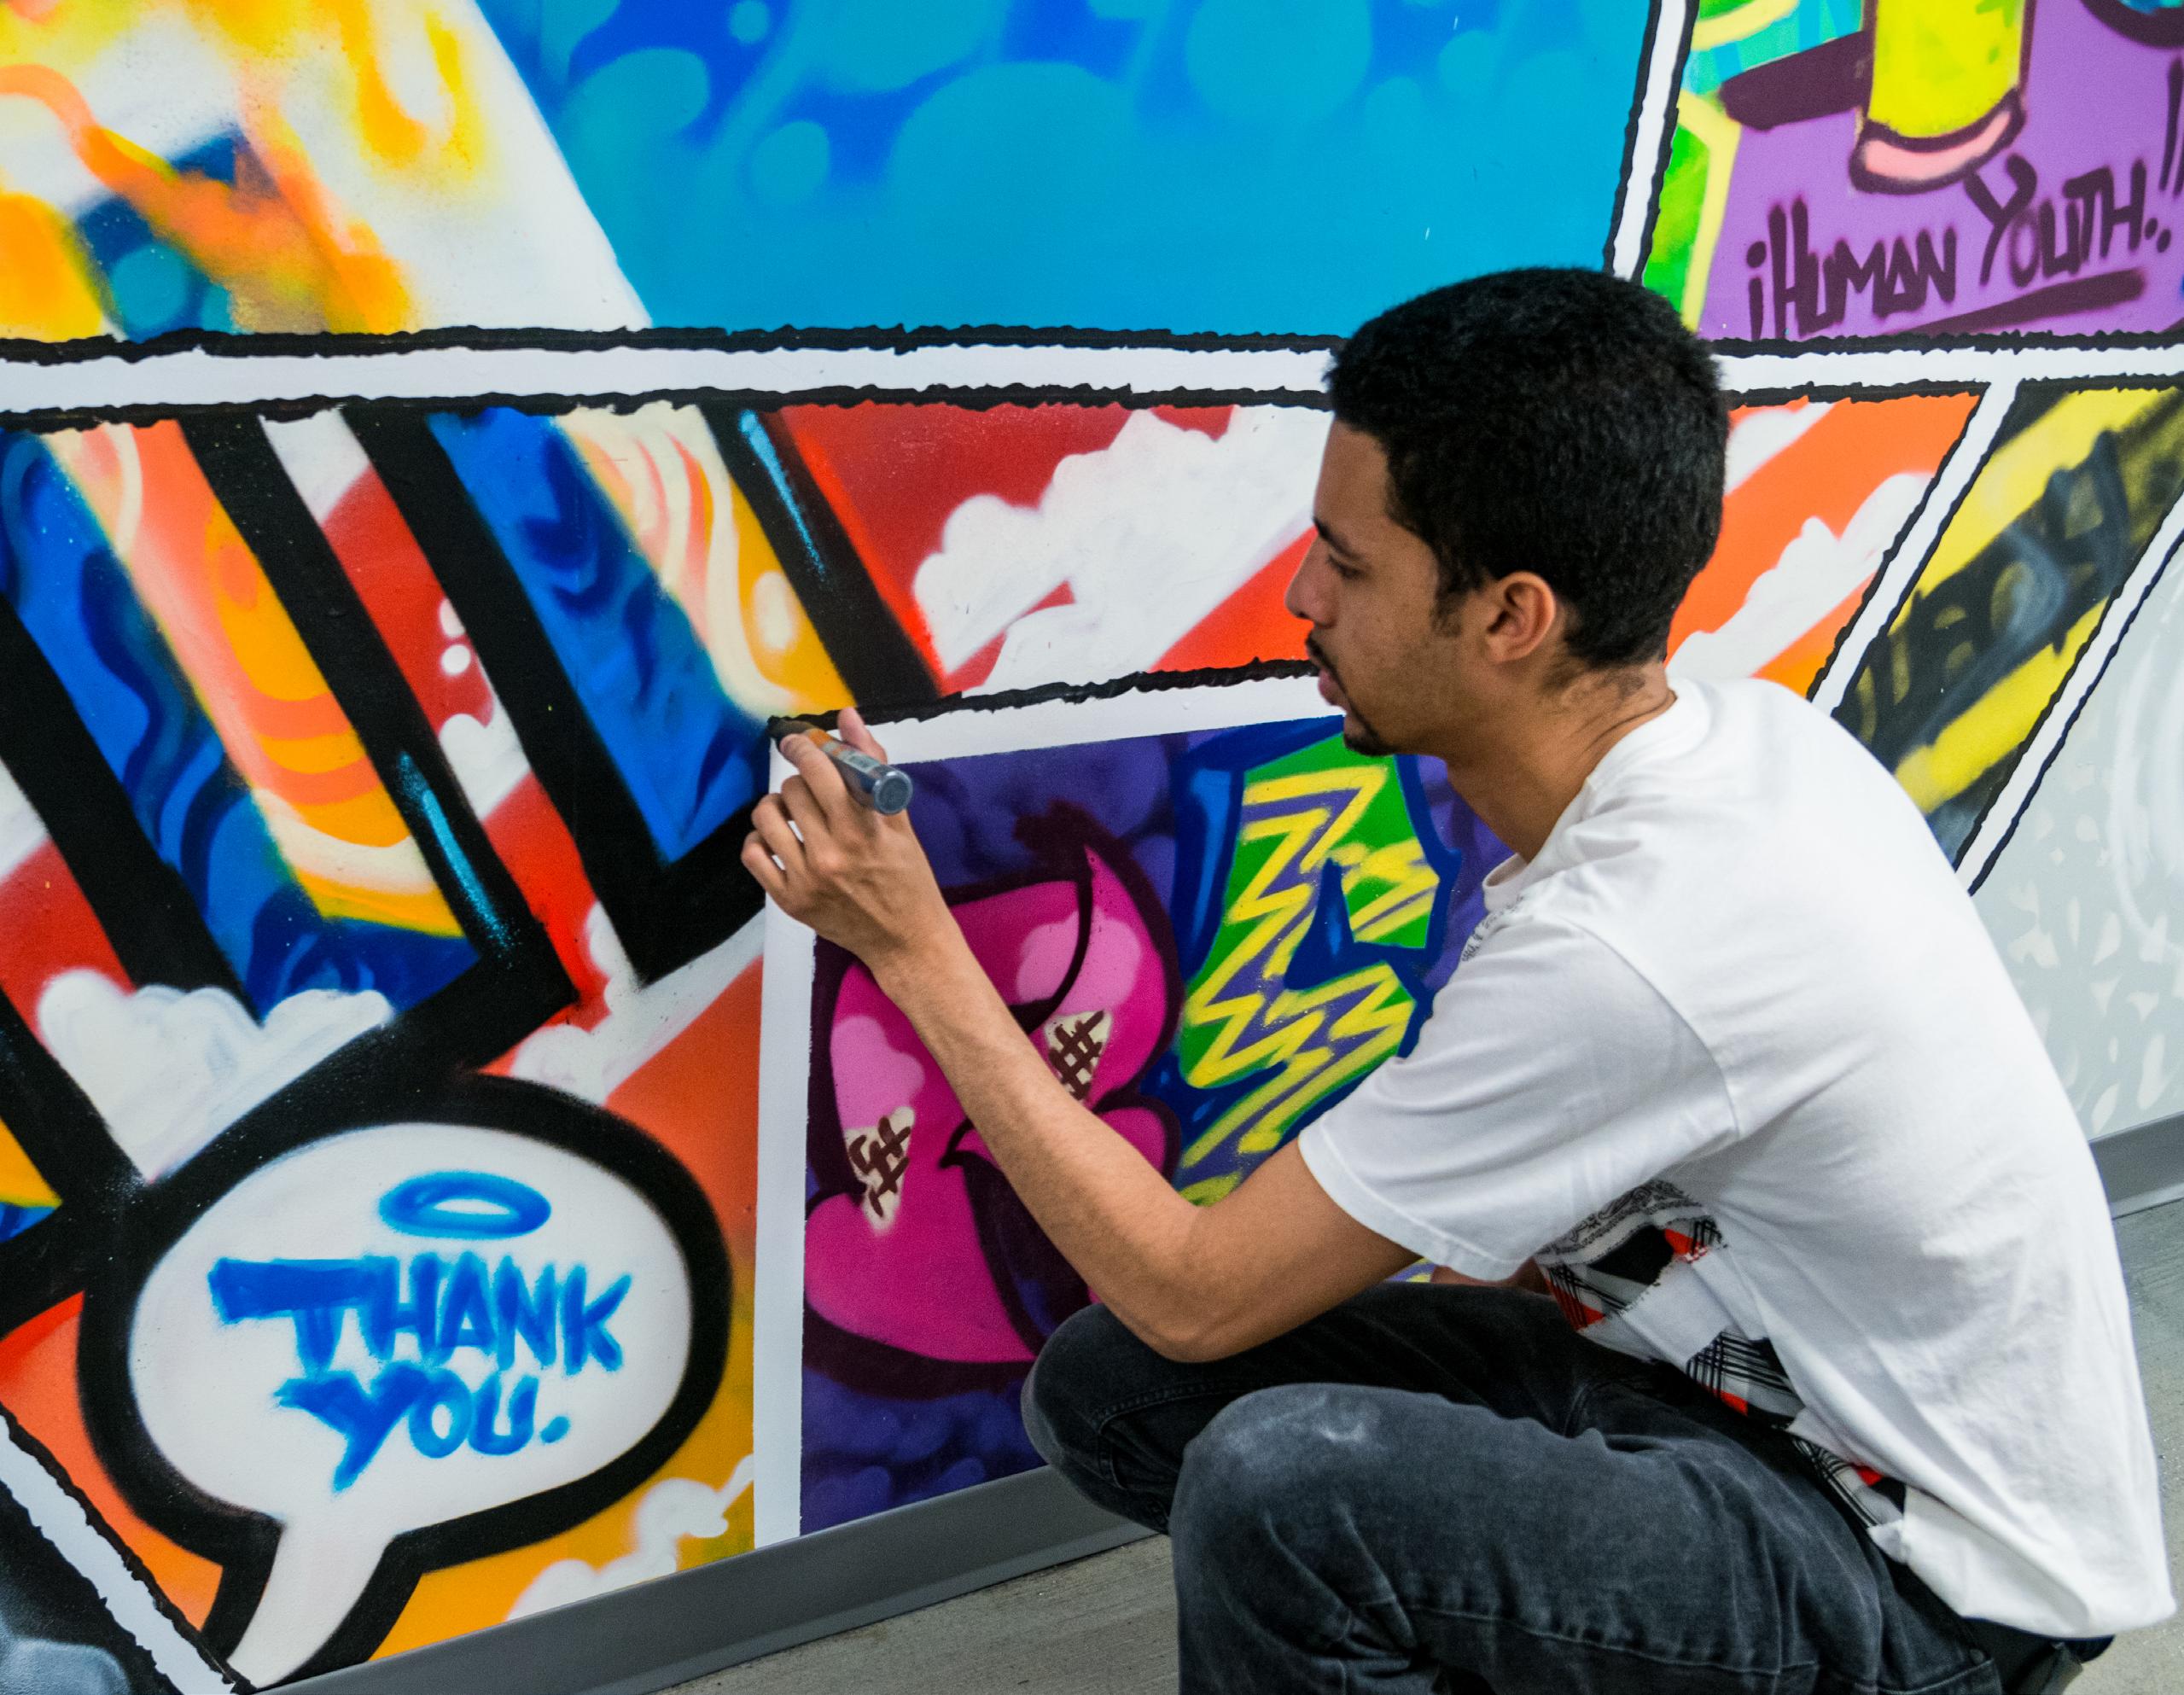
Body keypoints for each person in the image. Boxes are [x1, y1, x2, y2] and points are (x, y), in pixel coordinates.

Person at [743, 268, 2172, 1694]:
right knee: (1117, 1390)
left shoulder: (1639, 939)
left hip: (1920, 1580)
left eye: (1349, 564)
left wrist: (910, 946)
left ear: (1510, 618)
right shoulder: (1727, 746)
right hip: (1725, 1402)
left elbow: (1194, 1290)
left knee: (1280, 1495)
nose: (1301, 595)